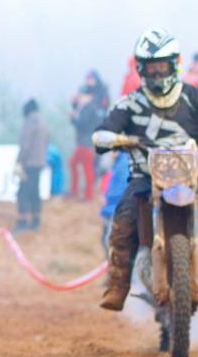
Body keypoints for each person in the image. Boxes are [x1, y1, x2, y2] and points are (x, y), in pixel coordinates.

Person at [93, 28, 198, 311]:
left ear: (173, 64)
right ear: (140, 68)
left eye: (162, 66)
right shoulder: (130, 104)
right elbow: (100, 134)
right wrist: (116, 139)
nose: (157, 74)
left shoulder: (191, 97)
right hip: (145, 179)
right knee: (122, 224)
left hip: (191, 177)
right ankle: (117, 285)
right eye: (151, 67)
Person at [69, 70, 109, 199]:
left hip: (90, 139)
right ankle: (88, 190)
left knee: (88, 166)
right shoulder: (87, 102)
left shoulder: (98, 97)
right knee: (88, 165)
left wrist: (73, 118)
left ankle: (89, 191)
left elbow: (82, 121)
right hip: (88, 138)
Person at [14, 99, 49, 231]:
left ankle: (22, 220)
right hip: (39, 162)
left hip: (28, 162)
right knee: (35, 191)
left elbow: (25, 145)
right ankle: (36, 220)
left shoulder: (29, 122)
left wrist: (19, 162)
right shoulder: (43, 121)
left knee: (23, 191)